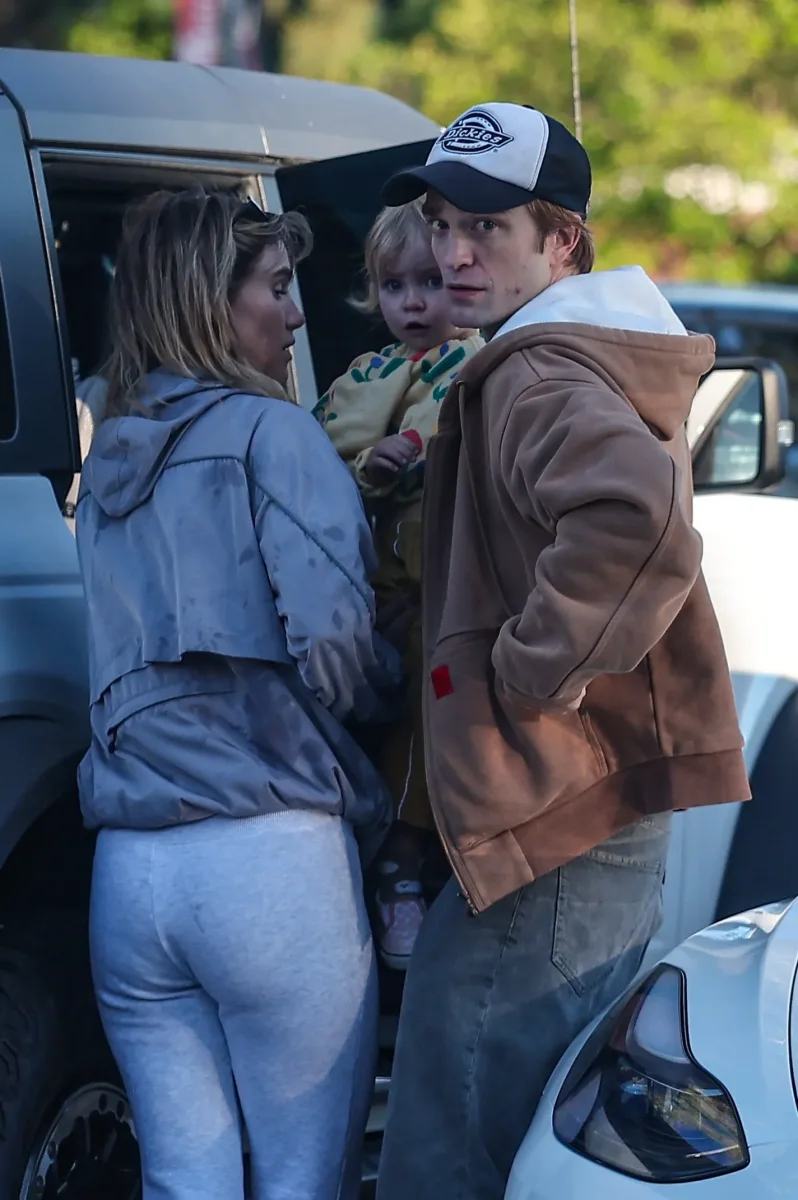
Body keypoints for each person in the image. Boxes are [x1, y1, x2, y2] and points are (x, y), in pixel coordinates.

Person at [375, 103, 750, 1200]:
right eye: (441, 222)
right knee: (536, 1139)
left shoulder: (537, 370)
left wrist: (529, 674)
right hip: (584, 806)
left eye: (487, 227)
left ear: (562, 242)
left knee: (454, 1145)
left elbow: (637, 526)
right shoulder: (568, 352)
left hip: (551, 813)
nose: (452, 252)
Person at [75, 187, 402, 1200]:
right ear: (206, 302)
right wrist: (398, 692)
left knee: (185, 1179)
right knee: (302, 1180)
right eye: (276, 287)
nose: (297, 315)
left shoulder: (107, 459)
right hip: (267, 860)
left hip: (129, 874)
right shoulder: (272, 433)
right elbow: (336, 645)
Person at [314, 201, 483, 969]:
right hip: (361, 588)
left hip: (442, 589)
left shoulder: (478, 368)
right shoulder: (363, 376)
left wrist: (414, 451)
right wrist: (366, 467)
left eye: (430, 282)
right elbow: (316, 453)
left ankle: (404, 866)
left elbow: (467, 449)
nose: (412, 303)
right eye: (393, 286)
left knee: (428, 716)